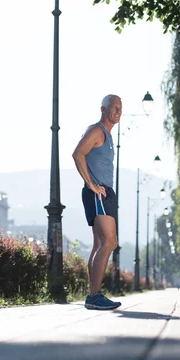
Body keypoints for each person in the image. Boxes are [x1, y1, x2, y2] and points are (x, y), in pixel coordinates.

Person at [72, 94, 122, 310]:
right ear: (103, 109)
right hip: (97, 192)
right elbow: (77, 154)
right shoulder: (96, 130)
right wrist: (91, 184)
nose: (118, 112)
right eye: (114, 108)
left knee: (99, 244)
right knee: (109, 242)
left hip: (104, 192)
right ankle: (94, 296)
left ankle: (93, 295)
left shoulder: (108, 136)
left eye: (120, 108)